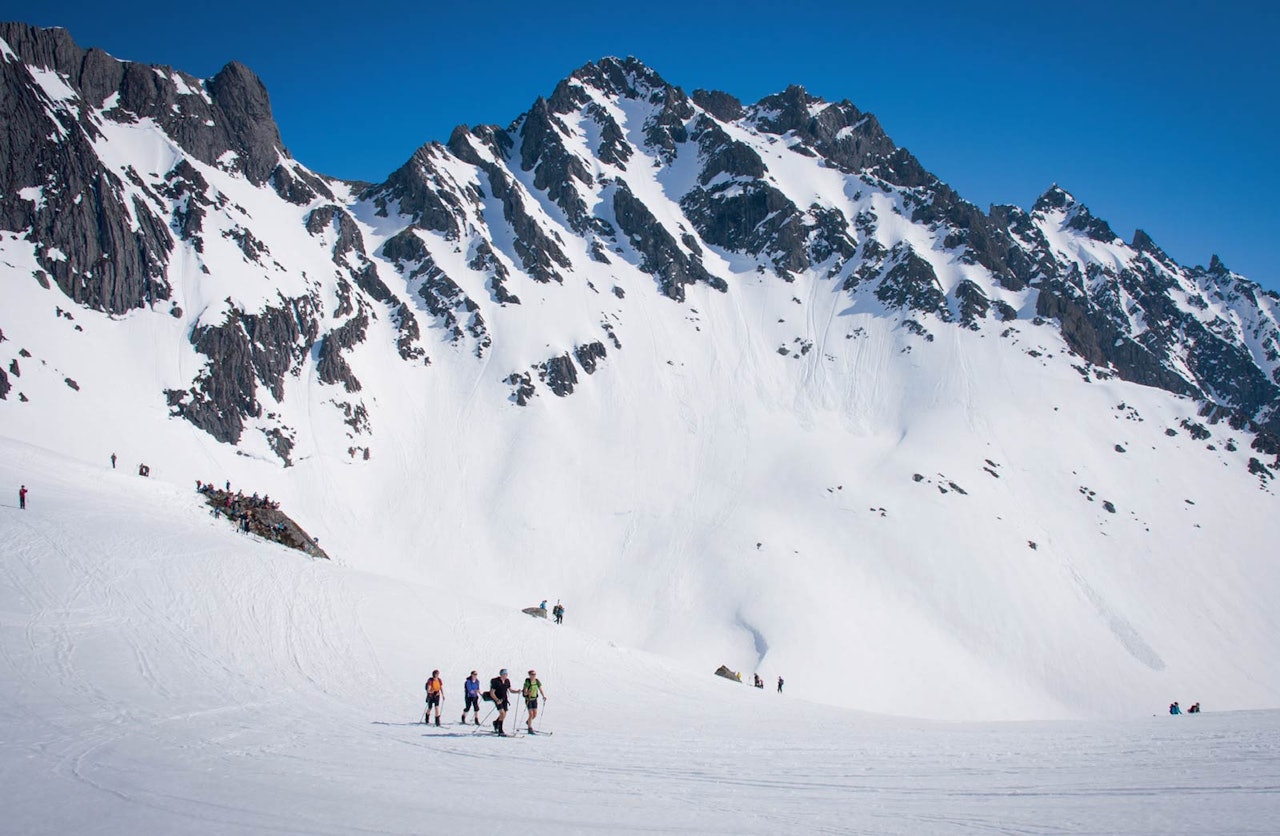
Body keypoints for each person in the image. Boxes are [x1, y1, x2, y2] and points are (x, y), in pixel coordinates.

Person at [488, 669, 514, 735]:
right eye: (505, 674)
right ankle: (500, 730)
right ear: (501, 674)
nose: (506, 675)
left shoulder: (507, 681)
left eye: (506, 674)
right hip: (498, 700)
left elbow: (510, 690)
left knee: (504, 714)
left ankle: (496, 723)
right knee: (502, 713)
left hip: (504, 699)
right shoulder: (496, 681)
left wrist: (517, 691)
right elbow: (492, 693)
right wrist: (497, 700)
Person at [522, 669, 547, 734]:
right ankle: (530, 728)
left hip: (534, 699)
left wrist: (543, 696)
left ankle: (528, 722)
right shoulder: (527, 682)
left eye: (535, 674)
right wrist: (528, 693)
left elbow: (540, 689)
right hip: (529, 699)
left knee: (535, 715)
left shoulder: (537, 681)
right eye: (532, 674)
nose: (534, 676)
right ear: (529, 675)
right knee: (531, 714)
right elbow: (525, 692)